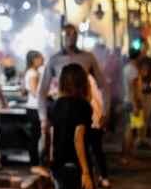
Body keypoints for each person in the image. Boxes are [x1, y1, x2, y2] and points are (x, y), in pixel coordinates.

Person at [38, 24, 110, 157]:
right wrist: (43, 118)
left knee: (83, 143)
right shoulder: (54, 60)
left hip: (82, 106)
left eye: (74, 33)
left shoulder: (88, 57)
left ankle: (85, 172)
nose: (71, 37)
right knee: (61, 146)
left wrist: (105, 111)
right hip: (62, 108)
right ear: (62, 36)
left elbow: (103, 85)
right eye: (68, 33)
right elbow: (42, 91)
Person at [23, 51, 49, 176]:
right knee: (35, 136)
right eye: (40, 57)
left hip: (33, 108)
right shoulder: (33, 73)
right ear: (34, 60)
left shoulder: (32, 72)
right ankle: (34, 165)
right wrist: (48, 94)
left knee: (36, 136)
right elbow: (35, 92)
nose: (43, 58)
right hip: (34, 108)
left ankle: (36, 163)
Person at [87, 73, 111, 189]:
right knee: (97, 150)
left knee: (93, 150)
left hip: (92, 118)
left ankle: (99, 177)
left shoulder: (88, 79)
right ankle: (103, 177)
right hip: (96, 118)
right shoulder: (99, 79)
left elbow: (97, 99)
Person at [121, 47, 142, 165]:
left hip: (127, 100)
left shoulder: (126, 68)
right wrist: (136, 105)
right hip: (131, 102)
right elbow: (134, 89)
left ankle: (126, 155)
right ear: (138, 57)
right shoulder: (133, 70)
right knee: (130, 130)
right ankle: (126, 156)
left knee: (128, 130)